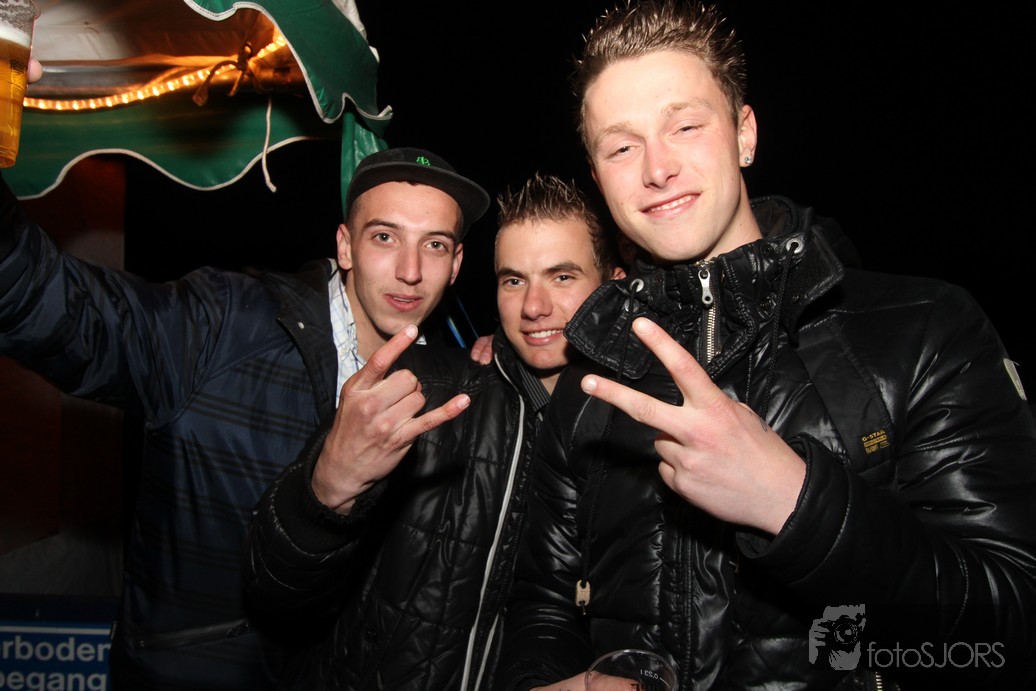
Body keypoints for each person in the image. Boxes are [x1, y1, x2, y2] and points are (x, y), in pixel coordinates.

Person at [495, 2, 1036, 690]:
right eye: (622, 147)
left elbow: (1012, 624)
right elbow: (542, 604)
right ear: (598, 177)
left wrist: (796, 502)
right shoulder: (590, 382)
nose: (657, 168)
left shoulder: (921, 328)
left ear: (744, 134)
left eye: (685, 126)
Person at [0, 140, 489, 689]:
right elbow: (60, 308)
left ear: (456, 265)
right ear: (346, 246)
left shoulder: (454, 389)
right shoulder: (224, 323)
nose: (410, 270)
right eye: (385, 237)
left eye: (435, 245)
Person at [242, 173, 624, 689]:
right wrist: (326, 489)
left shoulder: (645, 424)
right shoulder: (425, 392)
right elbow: (274, 591)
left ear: (613, 285)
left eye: (562, 277)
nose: (534, 307)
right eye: (513, 280)